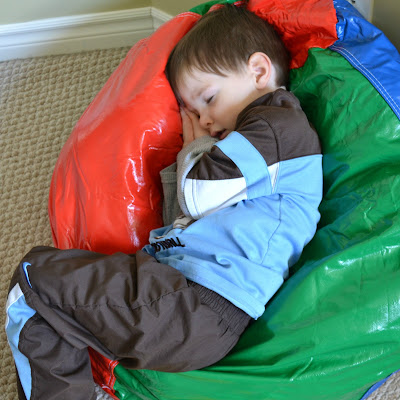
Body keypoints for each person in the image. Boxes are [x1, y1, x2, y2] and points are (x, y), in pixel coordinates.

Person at [5, 4, 322, 400]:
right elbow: (184, 219)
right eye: (195, 112)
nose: (204, 121)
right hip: (186, 300)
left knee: (32, 282)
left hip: (195, 304)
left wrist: (196, 149)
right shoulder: (261, 147)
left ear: (258, 72)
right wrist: (188, 163)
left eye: (209, 98)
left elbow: (199, 195)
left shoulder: (277, 126)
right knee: (51, 295)